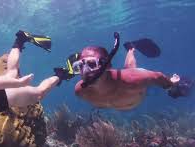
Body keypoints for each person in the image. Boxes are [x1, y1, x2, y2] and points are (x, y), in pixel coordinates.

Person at [53, 32, 194, 110]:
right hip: (125, 95)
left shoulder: (135, 80)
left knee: (130, 69)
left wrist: (170, 84)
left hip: (132, 82)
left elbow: (157, 76)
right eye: (79, 66)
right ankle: (131, 48)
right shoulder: (80, 91)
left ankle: (132, 48)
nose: (85, 71)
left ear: (107, 65)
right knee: (129, 70)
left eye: (91, 64)